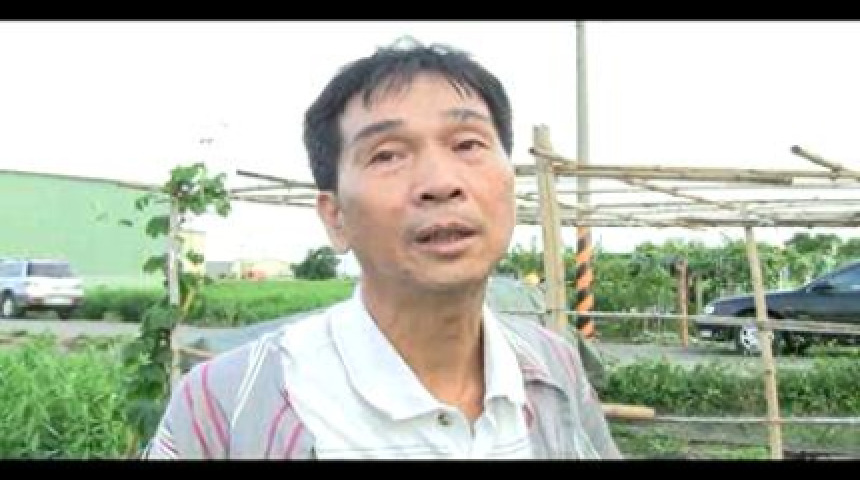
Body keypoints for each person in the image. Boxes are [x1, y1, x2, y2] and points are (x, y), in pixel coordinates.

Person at [144, 36, 621, 460]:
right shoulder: (226, 405)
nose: (441, 183)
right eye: (387, 154)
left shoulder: (552, 368)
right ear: (335, 216)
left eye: (467, 144)